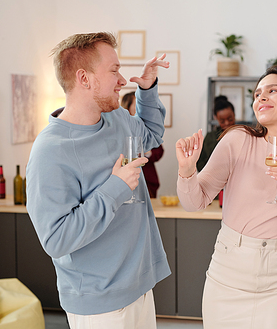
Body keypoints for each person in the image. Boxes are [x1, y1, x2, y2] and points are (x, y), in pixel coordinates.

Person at [26, 32, 171, 329]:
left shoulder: (118, 119)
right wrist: (116, 187)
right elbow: (57, 239)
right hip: (99, 303)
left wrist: (148, 91)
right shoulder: (50, 150)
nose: (122, 80)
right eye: (114, 70)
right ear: (84, 78)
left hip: (141, 286)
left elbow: (152, 135)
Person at [175, 65, 277, 329]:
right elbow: (194, 202)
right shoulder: (238, 140)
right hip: (228, 273)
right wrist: (187, 170)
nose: (261, 97)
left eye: (272, 90)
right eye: (258, 94)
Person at [121, 91, 164, 198]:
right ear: (128, 106)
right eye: (137, 104)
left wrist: (146, 152)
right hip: (124, 180)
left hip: (147, 180)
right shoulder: (119, 127)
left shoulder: (146, 127)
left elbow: (159, 151)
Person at [196, 95, 236, 172]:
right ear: (216, 118)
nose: (227, 123)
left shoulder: (244, 135)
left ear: (234, 115)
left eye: (230, 119)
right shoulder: (210, 138)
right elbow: (200, 164)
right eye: (222, 121)